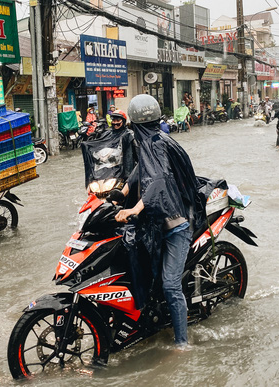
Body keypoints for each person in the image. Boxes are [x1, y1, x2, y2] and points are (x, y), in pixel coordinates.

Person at [114, 94, 205, 348]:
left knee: (169, 285)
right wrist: (120, 193)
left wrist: (134, 208)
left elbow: (159, 181)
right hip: (157, 221)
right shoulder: (150, 142)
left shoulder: (158, 144)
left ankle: (182, 343)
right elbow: (140, 172)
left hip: (177, 225)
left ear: (135, 124)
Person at [81, 110, 136, 191]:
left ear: (123, 121)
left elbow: (129, 157)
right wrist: (87, 146)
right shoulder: (108, 133)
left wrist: (127, 176)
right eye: (114, 120)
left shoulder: (128, 135)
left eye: (118, 121)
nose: (115, 123)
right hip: (108, 169)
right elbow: (100, 145)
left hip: (122, 170)